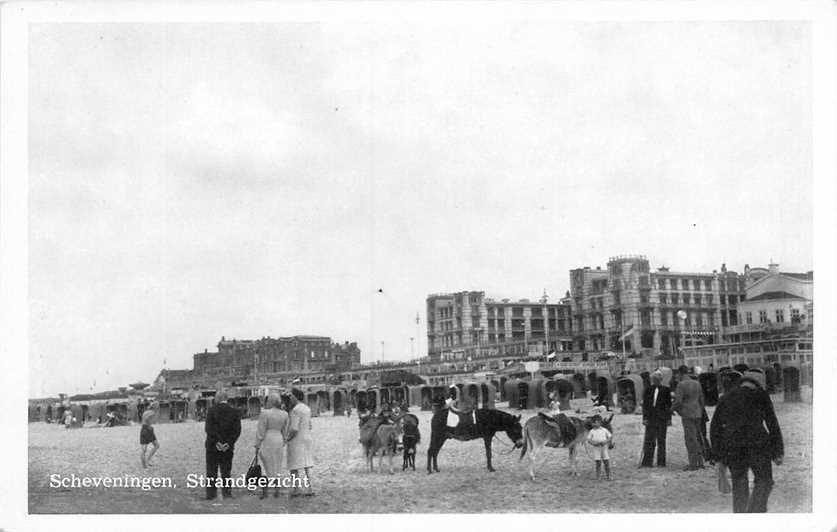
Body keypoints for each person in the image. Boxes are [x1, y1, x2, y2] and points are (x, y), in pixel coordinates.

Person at [710, 373, 783, 513]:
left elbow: (715, 427)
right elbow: (772, 424)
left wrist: (717, 453)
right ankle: (755, 512)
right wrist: (777, 451)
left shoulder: (726, 397)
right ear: (756, 383)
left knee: (739, 482)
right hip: (758, 445)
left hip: (733, 445)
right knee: (764, 480)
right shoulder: (761, 395)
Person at [204, 391, 241, 500]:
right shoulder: (234, 412)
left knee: (211, 471)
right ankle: (227, 493)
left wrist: (217, 442)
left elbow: (208, 429)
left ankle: (211, 494)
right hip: (227, 447)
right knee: (226, 471)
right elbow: (237, 430)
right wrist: (228, 443)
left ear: (218, 398)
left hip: (212, 446)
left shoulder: (211, 410)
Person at [254, 393, 289, 499]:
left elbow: (261, 430)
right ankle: (277, 491)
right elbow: (285, 431)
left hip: (268, 439)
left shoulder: (265, 413)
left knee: (265, 464)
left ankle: (265, 492)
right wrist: (283, 441)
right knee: (277, 464)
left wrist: (257, 444)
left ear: (269, 401)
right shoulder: (285, 414)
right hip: (278, 438)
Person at [672, 365, 705, 471]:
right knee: (698, 437)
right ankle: (700, 462)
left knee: (690, 439)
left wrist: (671, 410)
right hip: (697, 413)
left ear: (680, 373)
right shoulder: (697, 383)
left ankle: (693, 464)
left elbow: (678, 401)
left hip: (687, 414)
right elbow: (702, 400)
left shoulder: (681, 385)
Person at [286, 389, 314, 497]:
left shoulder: (295, 410)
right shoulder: (307, 408)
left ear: (296, 397)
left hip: (297, 440)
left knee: (294, 465)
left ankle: (296, 488)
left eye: (292, 396)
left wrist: (287, 438)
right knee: (306, 464)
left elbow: (294, 429)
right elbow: (310, 425)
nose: (290, 398)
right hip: (307, 438)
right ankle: (309, 487)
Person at [640, 370, 672, 467]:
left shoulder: (666, 390)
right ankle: (647, 462)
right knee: (649, 440)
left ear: (661, 380)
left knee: (661, 440)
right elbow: (645, 405)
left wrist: (669, 419)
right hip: (651, 417)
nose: (656, 380)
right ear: (652, 380)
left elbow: (668, 405)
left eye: (658, 379)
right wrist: (644, 418)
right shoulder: (648, 389)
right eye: (654, 379)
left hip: (662, 418)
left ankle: (661, 462)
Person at [586, 414, 613, 480]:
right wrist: (594, 443)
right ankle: (598, 476)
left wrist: (605, 442)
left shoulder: (604, 430)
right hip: (596, 448)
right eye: (592, 423)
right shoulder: (592, 431)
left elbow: (610, 437)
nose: (593, 424)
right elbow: (589, 440)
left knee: (606, 461)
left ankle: (608, 476)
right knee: (598, 462)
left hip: (604, 448)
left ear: (599, 422)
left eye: (594, 422)